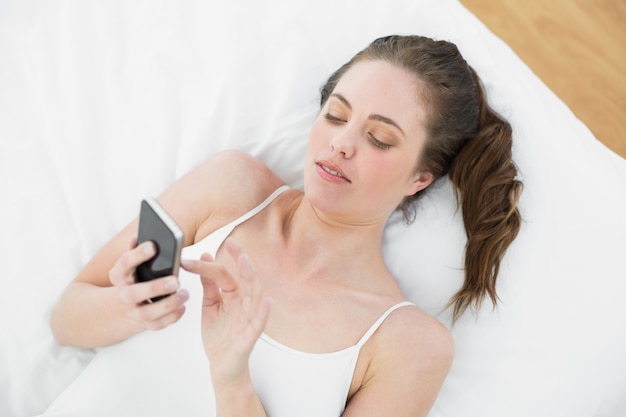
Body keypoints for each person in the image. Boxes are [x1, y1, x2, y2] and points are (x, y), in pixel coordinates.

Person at [50, 35, 522, 417]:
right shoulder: (231, 187)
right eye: (335, 115)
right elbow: (65, 318)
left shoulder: (408, 346)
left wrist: (232, 382)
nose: (340, 142)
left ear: (420, 178)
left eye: (378, 139)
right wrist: (125, 310)